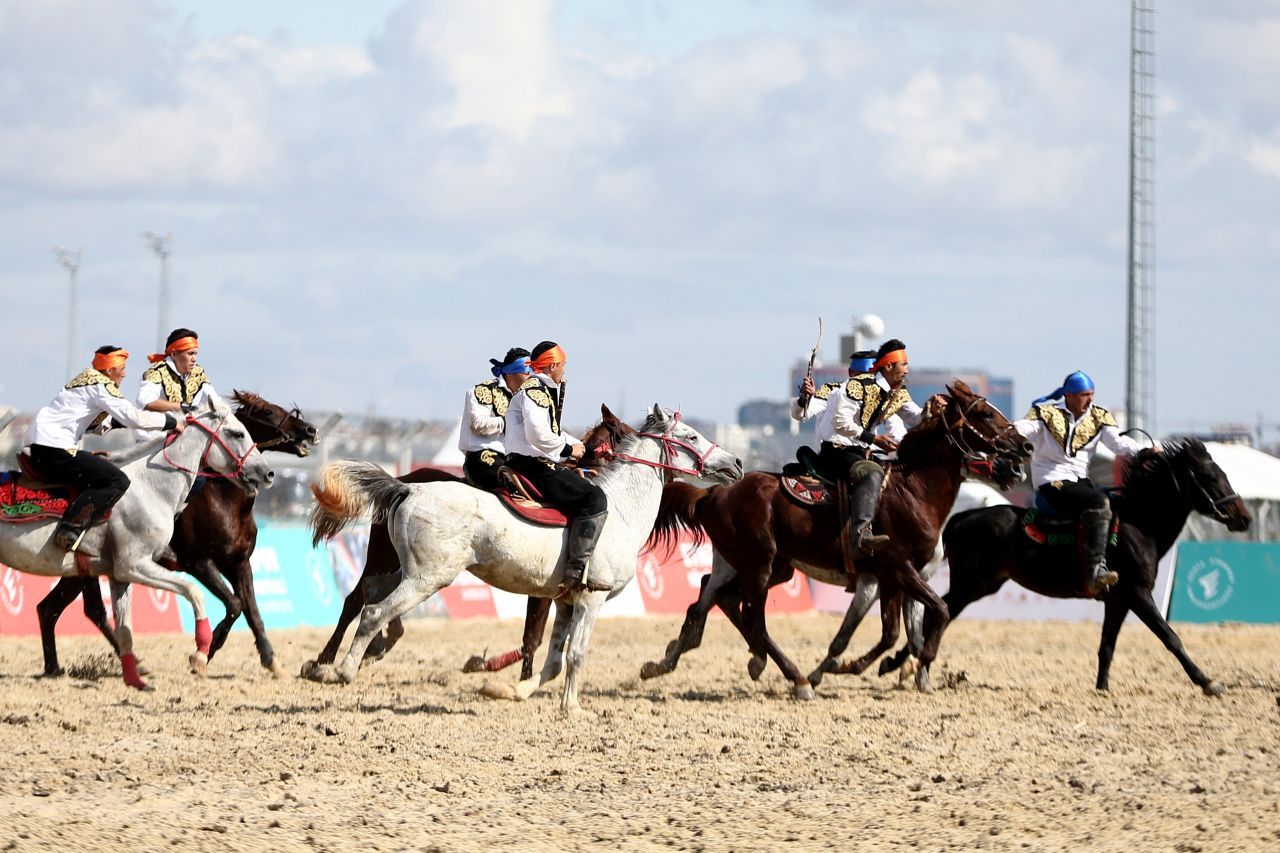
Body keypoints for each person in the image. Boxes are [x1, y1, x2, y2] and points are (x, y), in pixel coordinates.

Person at [25, 346, 184, 552]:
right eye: (122, 368)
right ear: (109, 371)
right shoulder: (102, 385)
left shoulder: (85, 379)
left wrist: (121, 422)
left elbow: (97, 427)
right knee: (117, 480)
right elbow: (134, 417)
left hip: (45, 446)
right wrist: (171, 422)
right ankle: (70, 529)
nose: (125, 374)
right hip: (55, 449)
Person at [1013, 371, 1151, 595]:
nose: (1090, 399)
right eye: (1085, 395)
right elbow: (1022, 429)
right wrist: (1008, 431)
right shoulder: (1045, 414)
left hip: (1081, 484)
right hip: (1051, 483)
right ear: (1068, 395)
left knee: (1118, 502)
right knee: (1099, 501)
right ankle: (1095, 570)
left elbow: (1118, 443)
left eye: (1092, 394)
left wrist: (1145, 450)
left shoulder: (1099, 416)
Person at [503, 340, 609, 593]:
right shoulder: (536, 391)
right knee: (594, 497)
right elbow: (539, 435)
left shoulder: (537, 389)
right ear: (552, 366)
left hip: (530, 460)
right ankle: (576, 573)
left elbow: (552, 432)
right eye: (563, 366)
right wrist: (569, 450)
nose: (564, 370)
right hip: (532, 465)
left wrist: (586, 448)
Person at [822, 339, 925, 558]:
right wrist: (875, 440)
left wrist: (934, 409)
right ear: (888, 366)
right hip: (838, 450)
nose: (907, 369)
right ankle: (861, 533)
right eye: (904, 364)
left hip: (861, 453)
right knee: (872, 473)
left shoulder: (899, 393)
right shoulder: (856, 386)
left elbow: (916, 418)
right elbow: (840, 422)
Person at [458, 347, 531, 491]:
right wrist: (508, 422)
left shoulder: (525, 400)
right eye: (527, 372)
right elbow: (477, 423)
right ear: (511, 372)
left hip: (513, 460)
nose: (531, 378)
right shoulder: (483, 390)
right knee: (517, 488)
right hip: (484, 457)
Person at [138, 328, 222, 416]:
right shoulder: (156, 373)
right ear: (174, 354)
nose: (194, 359)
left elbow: (215, 401)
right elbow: (145, 401)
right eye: (190, 354)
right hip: (158, 428)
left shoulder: (198, 372)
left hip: (186, 428)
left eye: (195, 354)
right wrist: (179, 407)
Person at [791, 349, 877, 429]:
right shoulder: (831, 391)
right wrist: (804, 399)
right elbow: (800, 415)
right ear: (851, 373)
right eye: (863, 375)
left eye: (871, 375)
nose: (866, 380)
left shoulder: (881, 395)